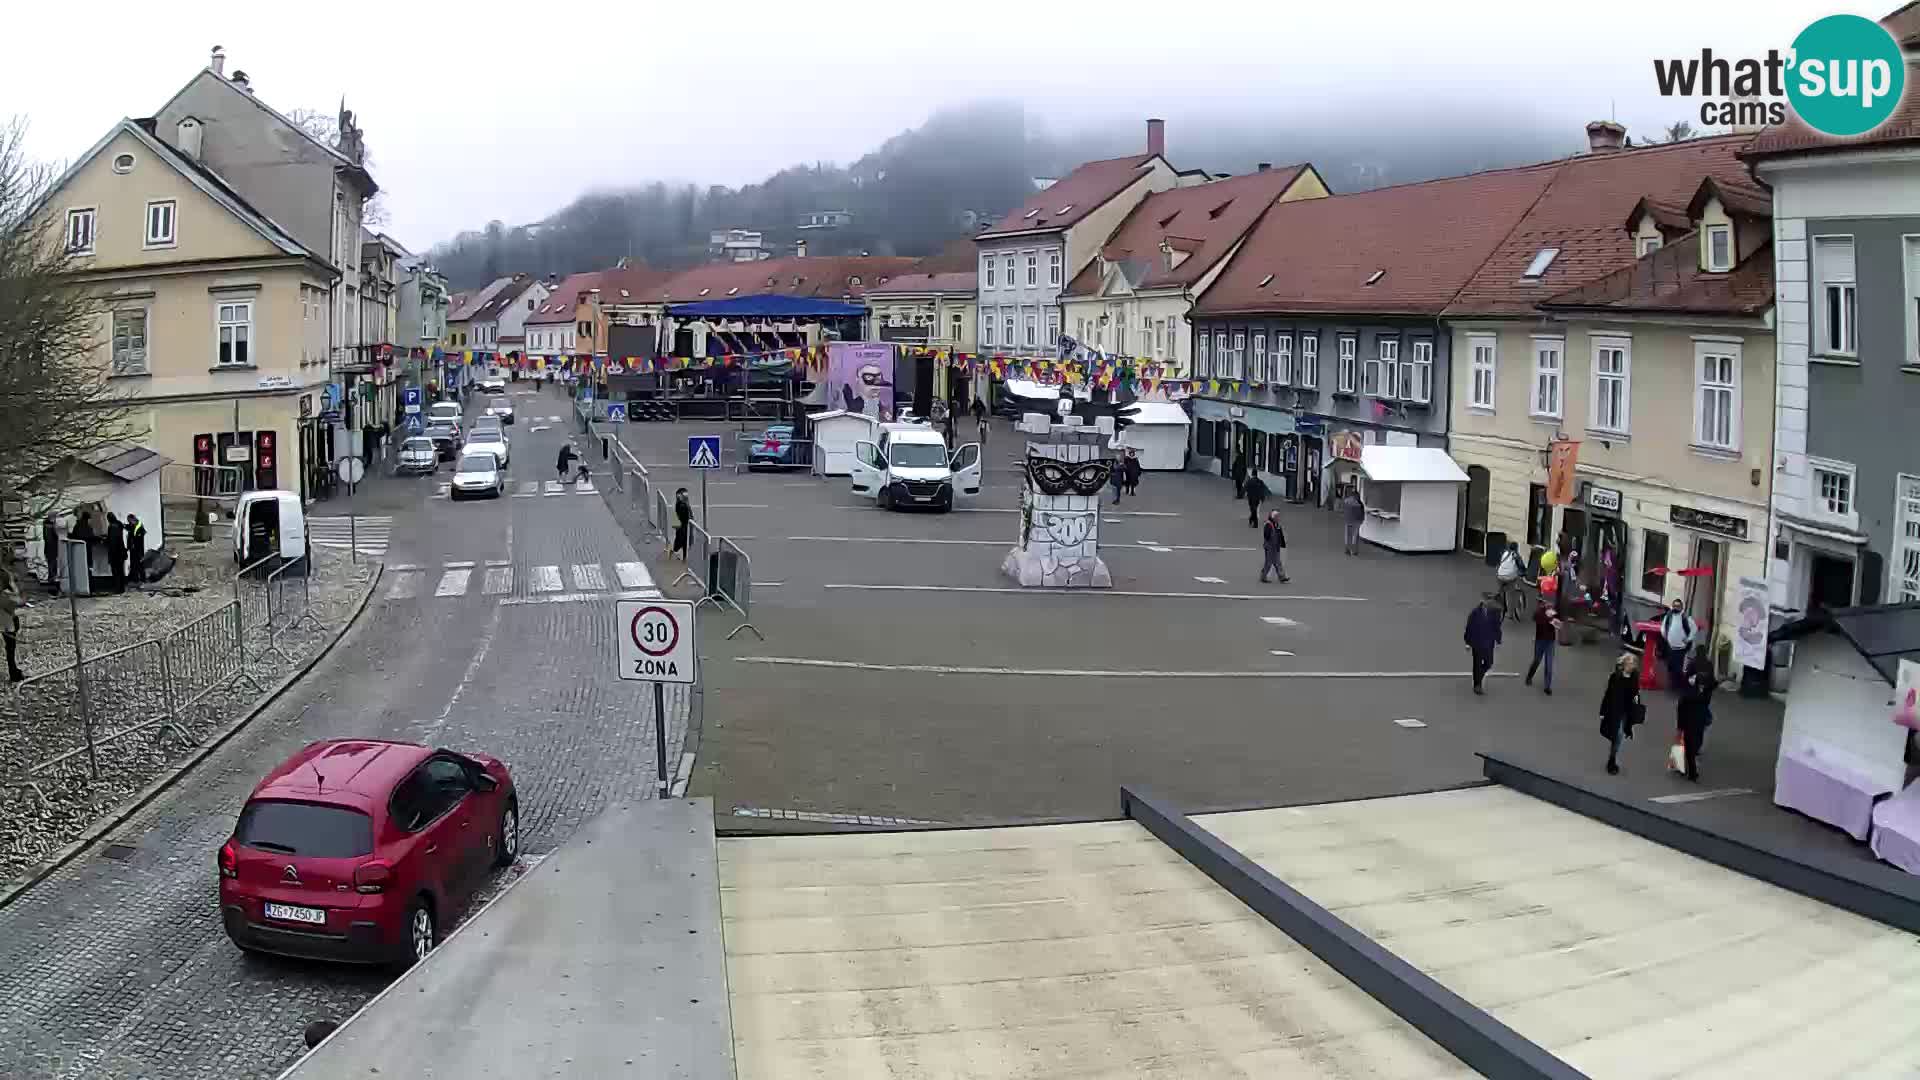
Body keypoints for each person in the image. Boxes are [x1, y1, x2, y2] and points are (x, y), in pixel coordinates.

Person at [1599, 653, 1645, 774]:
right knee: (1618, 734)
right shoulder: (1615, 677)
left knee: (1620, 734)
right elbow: (1608, 695)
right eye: (1629, 663)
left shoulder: (1634, 678)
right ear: (1624, 664)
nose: (1631, 666)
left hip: (1627, 711)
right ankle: (1612, 761)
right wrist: (1602, 711)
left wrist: (1637, 703)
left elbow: (1635, 694)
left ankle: (1612, 755)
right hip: (1615, 710)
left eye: (1633, 664)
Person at [1676, 645, 1715, 781]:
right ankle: (1692, 766)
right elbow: (1712, 683)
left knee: (1686, 742)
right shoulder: (1709, 665)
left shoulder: (1687, 694)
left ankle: (1685, 768)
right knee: (1696, 738)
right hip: (1700, 714)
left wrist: (1679, 724)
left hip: (1688, 718)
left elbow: (1681, 705)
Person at [1464, 595, 1503, 695]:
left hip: (1489, 643)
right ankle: (1477, 685)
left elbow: (1497, 627)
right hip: (1477, 643)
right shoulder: (1475, 613)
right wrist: (1468, 642)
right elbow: (1469, 628)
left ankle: (1478, 677)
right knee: (1477, 664)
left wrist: (1498, 640)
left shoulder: (1495, 612)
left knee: (1489, 663)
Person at [1658, 598, 1697, 692]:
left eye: (1678, 606)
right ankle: (1672, 685)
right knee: (1670, 666)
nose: (1675, 608)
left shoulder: (1685, 617)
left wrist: (1688, 639)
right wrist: (1665, 636)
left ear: (1681, 607)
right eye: (1674, 605)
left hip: (1681, 648)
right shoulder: (1669, 615)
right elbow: (1663, 627)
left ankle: (1679, 687)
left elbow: (1694, 629)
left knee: (1678, 668)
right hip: (1670, 646)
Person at [1525, 600, 1561, 695]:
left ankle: (1547, 686)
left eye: (1551, 605)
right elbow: (1535, 619)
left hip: (1550, 642)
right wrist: (1547, 618)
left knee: (1549, 664)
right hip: (1540, 641)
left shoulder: (1554, 613)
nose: (1550, 606)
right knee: (1537, 660)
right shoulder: (1539, 613)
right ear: (1544, 605)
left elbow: (1559, 624)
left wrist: (1556, 621)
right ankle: (1529, 676)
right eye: (1548, 604)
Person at [1, 565, 23, 683]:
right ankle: (14, 673)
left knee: (10, 650)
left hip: (6, 622)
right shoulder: (5, 595)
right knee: (10, 650)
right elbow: (19, 601)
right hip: (8, 624)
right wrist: (13, 585)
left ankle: (14, 671)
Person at [1496, 542, 1526, 620]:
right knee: (1510, 595)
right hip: (1510, 577)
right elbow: (1522, 566)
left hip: (1500, 575)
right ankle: (1510, 614)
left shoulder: (1505, 553)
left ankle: (1500, 608)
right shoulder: (1517, 555)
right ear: (1516, 548)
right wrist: (1524, 573)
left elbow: (1501, 562)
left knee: (1501, 592)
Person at [1260, 509, 1290, 584]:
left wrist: (1282, 543)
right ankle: (1263, 576)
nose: (1278, 518)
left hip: (1276, 546)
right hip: (1270, 547)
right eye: (1277, 517)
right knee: (1268, 563)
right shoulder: (1268, 524)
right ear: (1273, 517)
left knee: (1278, 562)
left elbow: (1281, 534)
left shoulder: (1277, 525)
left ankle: (1282, 577)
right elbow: (1266, 536)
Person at [105, 512, 127, 594]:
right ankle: (122, 588)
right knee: (120, 571)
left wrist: (106, 541)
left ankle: (118, 589)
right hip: (121, 552)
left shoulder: (112, 527)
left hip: (115, 554)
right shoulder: (119, 525)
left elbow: (113, 542)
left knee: (116, 572)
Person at [1341, 485, 1366, 555]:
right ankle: (1354, 551)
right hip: (1356, 521)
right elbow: (1361, 513)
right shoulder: (1359, 504)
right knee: (1355, 535)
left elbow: (1343, 510)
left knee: (1347, 535)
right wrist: (1362, 520)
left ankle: (1347, 549)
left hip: (1347, 520)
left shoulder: (1346, 501)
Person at [125, 513, 148, 585]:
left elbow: (135, 535)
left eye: (129, 520)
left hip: (138, 549)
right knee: (134, 564)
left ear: (132, 519)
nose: (129, 522)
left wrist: (131, 545)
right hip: (134, 549)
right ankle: (135, 579)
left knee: (139, 564)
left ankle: (142, 580)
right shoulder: (134, 525)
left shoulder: (138, 526)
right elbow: (130, 528)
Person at [671, 487, 692, 560]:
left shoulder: (681, 504)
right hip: (683, 527)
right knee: (682, 541)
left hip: (682, 526)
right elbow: (685, 515)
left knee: (680, 540)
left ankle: (679, 554)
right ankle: (679, 555)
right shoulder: (682, 505)